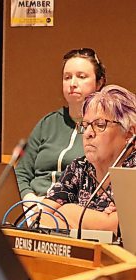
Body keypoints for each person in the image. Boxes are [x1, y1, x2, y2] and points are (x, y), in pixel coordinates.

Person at [16, 48, 106, 204]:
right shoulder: (47, 123)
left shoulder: (106, 127)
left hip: (71, 209)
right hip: (33, 205)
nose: (72, 83)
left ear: (99, 83)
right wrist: (28, 198)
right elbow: (21, 173)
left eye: (81, 77)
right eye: (67, 77)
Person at [42, 85, 135, 233]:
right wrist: (98, 222)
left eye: (99, 125)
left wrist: (68, 211)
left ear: (129, 133)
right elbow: (41, 217)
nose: (88, 134)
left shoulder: (133, 172)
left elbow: (122, 228)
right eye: (85, 126)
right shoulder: (79, 167)